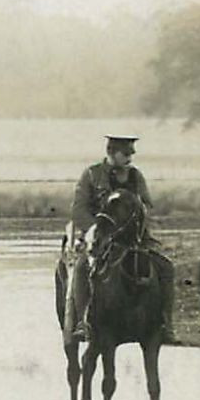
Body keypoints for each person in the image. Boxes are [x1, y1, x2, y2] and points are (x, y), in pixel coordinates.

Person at [64, 134, 173, 343]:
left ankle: (166, 323)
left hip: (132, 237)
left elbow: (147, 205)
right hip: (100, 237)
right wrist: (94, 229)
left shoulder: (136, 176)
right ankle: (83, 322)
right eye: (125, 153)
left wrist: (140, 220)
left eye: (131, 153)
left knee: (166, 268)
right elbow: (78, 209)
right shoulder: (91, 175)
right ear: (111, 152)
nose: (130, 157)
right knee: (81, 269)